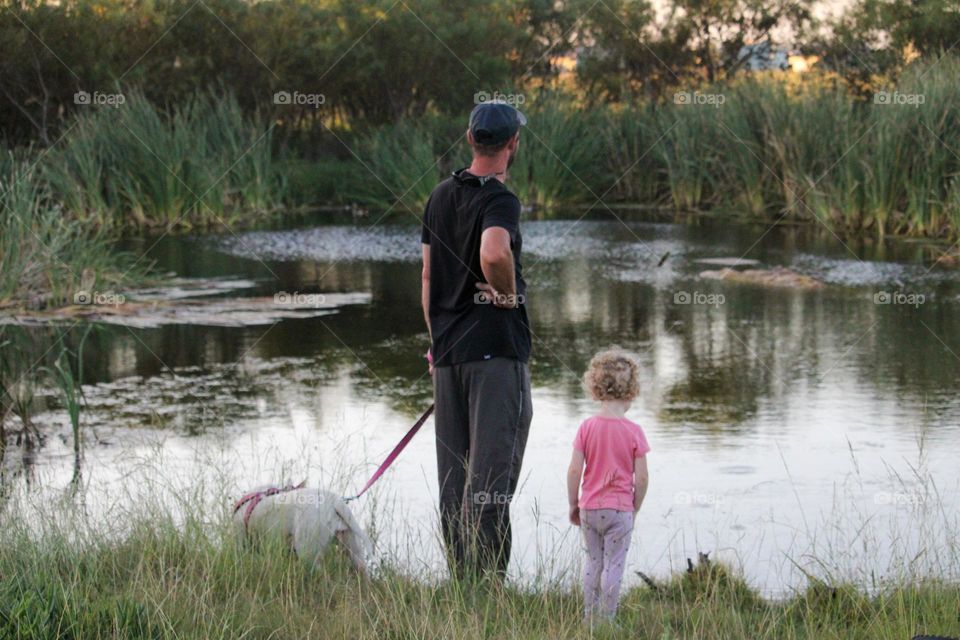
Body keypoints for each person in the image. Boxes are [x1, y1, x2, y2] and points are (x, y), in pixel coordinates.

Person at [420, 100, 533, 580]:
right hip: (494, 354)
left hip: (448, 355)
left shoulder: (439, 195)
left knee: (455, 479)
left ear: (470, 139)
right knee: (490, 476)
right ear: (513, 144)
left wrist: (435, 345)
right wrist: (507, 295)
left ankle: (462, 584)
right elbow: (493, 250)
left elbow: (427, 276)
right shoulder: (500, 199)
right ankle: (485, 592)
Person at [567, 348, 650, 621]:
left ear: (596, 386)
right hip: (619, 511)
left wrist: (573, 504)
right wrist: (634, 507)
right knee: (614, 565)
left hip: (590, 508)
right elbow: (642, 478)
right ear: (632, 390)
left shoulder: (586, 427)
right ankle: (608, 620)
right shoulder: (634, 431)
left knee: (593, 563)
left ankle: (590, 618)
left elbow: (574, 470)